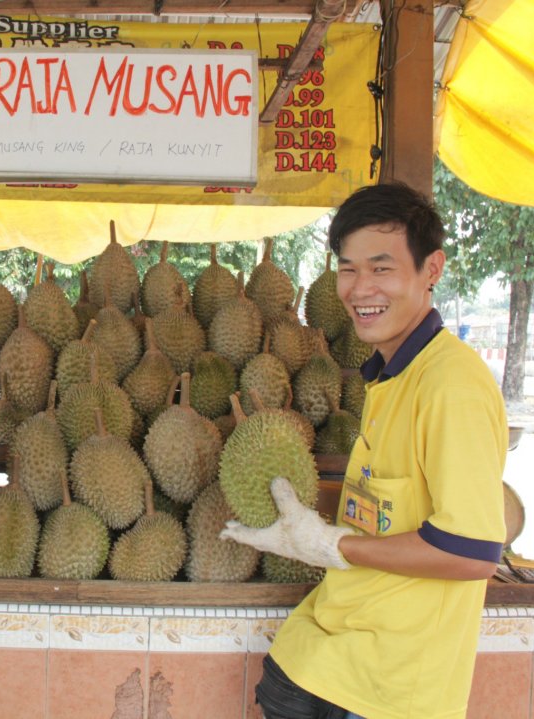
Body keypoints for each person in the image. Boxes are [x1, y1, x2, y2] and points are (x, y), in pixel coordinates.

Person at [222, 183, 507, 719]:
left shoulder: (452, 385)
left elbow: (472, 553)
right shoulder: (389, 377)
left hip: (386, 690)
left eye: (382, 267)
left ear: (432, 270)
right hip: (321, 660)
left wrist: (332, 545)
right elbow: (383, 510)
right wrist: (304, 523)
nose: (359, 287)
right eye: (348, 268)